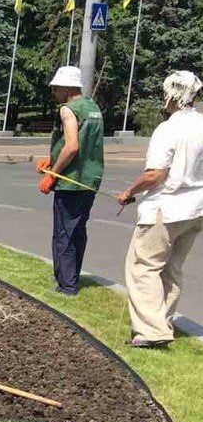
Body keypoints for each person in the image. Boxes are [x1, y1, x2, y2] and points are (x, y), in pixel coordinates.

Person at [115, 71, 203, 348]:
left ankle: (152, 331)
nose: (163, 98)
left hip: (166, 206)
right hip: (196, 209)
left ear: (174, 94)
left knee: (143, 266)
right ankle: (163, 320)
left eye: (165, 93)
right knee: (172, 268)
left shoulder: (168, 129)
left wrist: (129, 192)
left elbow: (155, 174)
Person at [36, 65, 105, 296]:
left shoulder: (68, 109)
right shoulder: (93, 107)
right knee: (78, 231)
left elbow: (72, 146)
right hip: (90, 180)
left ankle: (66, 286)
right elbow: (86, 145)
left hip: (71, 182)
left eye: (56, 88)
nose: (54, 92)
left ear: (66, 88)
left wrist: (52, 173)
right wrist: (53, 158)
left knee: (64, 234)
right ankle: (72, 277)